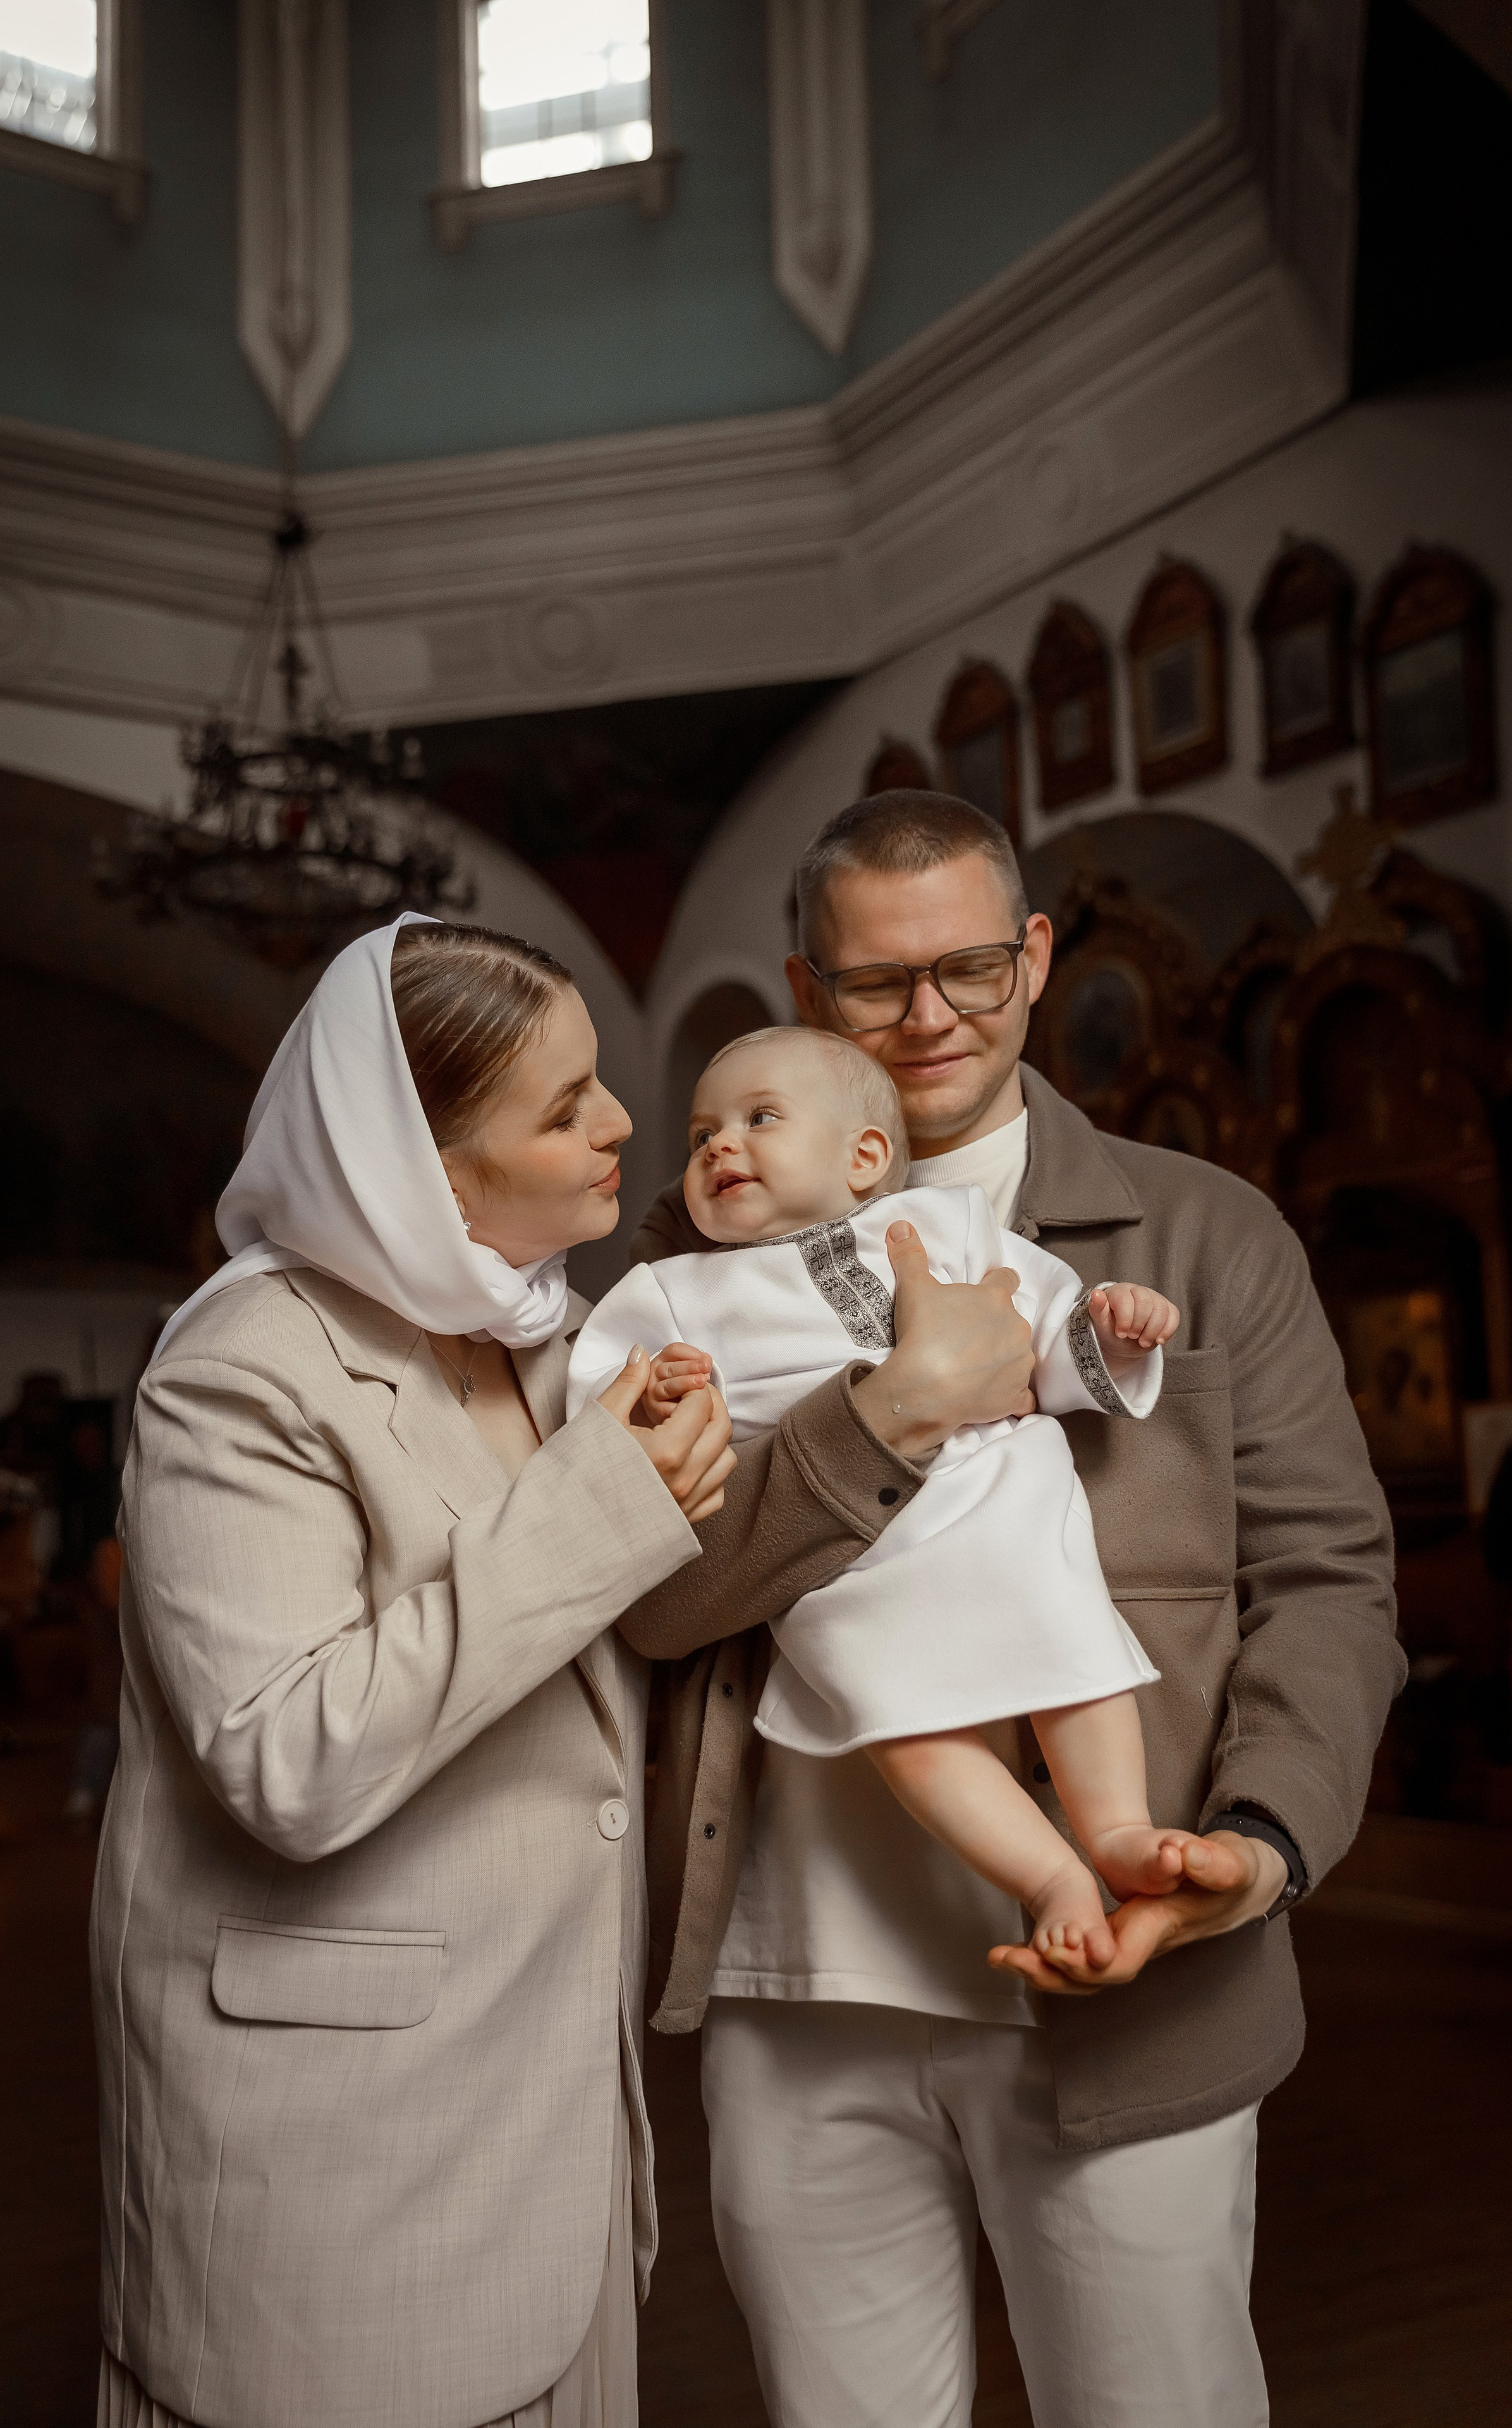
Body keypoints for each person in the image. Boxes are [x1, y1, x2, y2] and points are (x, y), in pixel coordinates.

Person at [88, 908, 1031, 2428]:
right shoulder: (240, 1369)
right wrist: (610, 1504)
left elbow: (686, 1608)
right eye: (563, 1107)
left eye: (601, 1081)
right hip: (343, 2151)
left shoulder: (563, 1338)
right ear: (430, 1169)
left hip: (546, 2128)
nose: (622, 1126)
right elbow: (285, 1757)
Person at [621, 792, 1404, 2428]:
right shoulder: (690, 1255)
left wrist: (1259, 1843)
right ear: (802, 985)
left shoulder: (1205, 1232)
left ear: (1038, 958)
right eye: (873, 986)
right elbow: (652, 1607)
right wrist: (893, 1413)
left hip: (1134, 1982)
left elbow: (1328, 1579)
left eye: (972, 969)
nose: (929, 1021)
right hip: (798, 1990)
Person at [569, 1024, 1226, 1978]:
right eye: (701, 1133)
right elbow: (602, 1406)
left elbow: (1042, 1321)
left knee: (1078, 1654)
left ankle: (1118, 1828)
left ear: (865, 1156)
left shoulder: (948, 1226)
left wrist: (1112, 1330)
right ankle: (1052, 1878)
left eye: (759, 1119)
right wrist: (656, 1390)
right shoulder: (674, 1292)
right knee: (904, 1723)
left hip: (1001, 1501)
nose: (717, 1146)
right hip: (848, 1555)